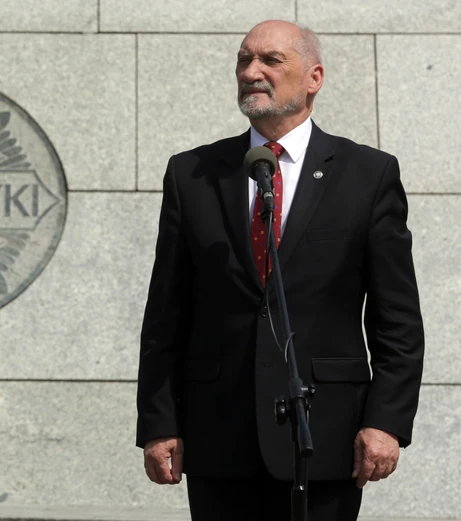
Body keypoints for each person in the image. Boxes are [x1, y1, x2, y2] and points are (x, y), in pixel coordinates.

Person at [136, 19, 425, 521]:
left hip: (326, 435)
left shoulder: (368, 174)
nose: (251, 72)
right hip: (218, 436)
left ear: (314, 77)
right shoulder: (192, 174)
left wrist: (386, 421)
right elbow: (166, 314)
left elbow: (396, 319)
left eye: (271, 60)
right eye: (244, 60)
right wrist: (159, 422)